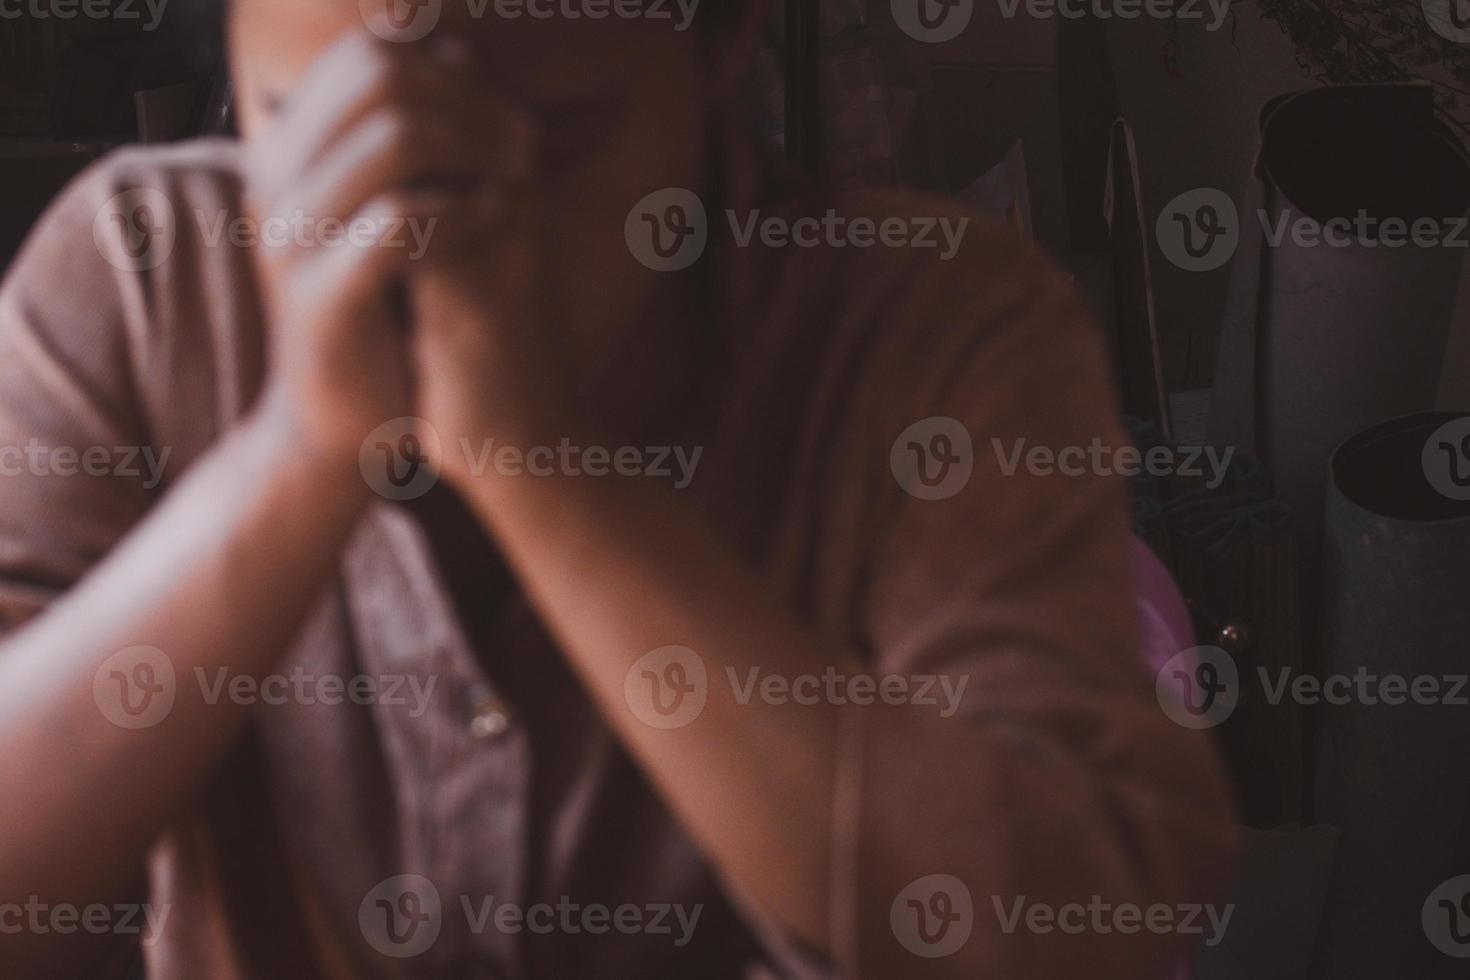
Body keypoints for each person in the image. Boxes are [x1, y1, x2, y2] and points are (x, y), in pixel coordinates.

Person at [0, 0, 1234, 976]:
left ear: (718, 47)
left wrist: (532, 458)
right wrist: (298, 452)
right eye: (313, 136)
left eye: (552, 149)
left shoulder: (935, 335)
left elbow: (1073, 928)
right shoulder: (138, 278)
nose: (421, 252)